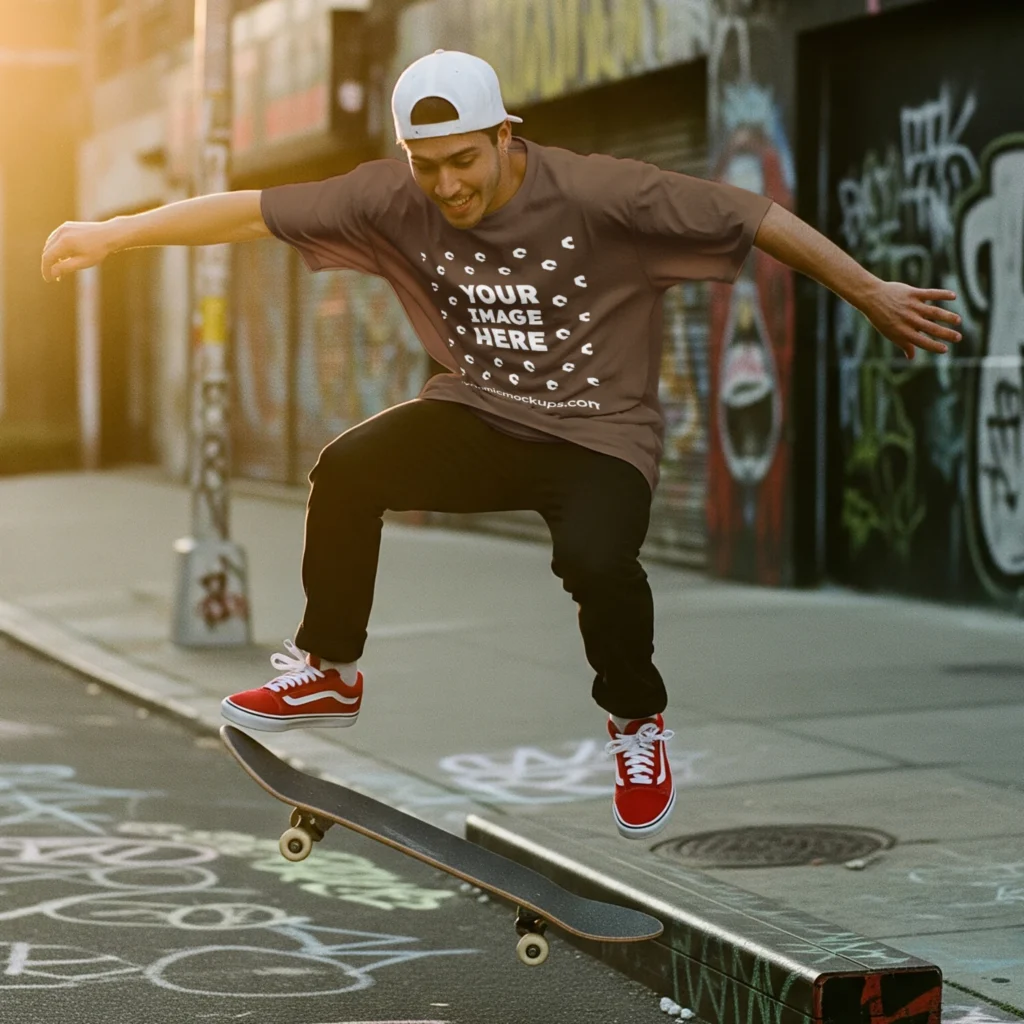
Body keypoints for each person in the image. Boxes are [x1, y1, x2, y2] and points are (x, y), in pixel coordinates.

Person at [40, 50, 961, 840]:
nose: (448, 187)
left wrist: (867, 289)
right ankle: (329, 670)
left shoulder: (602, 192)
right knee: (348, 469)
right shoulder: (386, 198)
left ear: (506, 136)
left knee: (597, 560)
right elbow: (247, 212)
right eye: (426, 166)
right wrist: (113, 233)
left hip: (600, 436)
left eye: (464, 162)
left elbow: (751, 215)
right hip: (482, 413)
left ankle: (636, 723)